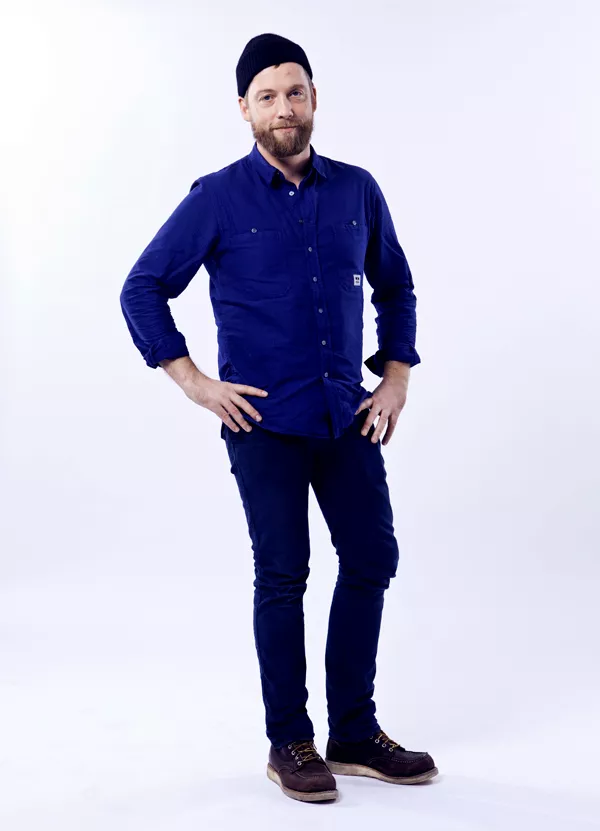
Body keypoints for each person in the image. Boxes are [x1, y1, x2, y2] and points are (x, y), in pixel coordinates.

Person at [120, 32, 438, 803]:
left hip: (346, 415)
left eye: (295, 92)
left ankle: (353, 732)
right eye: (267, 96)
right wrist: (195, 382)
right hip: (262, 424)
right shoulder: (216, 197)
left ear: (314, 97)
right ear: (244, 109)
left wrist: (395, 377)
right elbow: (142, 286)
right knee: (284, 571)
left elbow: (396, 286)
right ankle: (289, 740)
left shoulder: (357, 190)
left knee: (372, 556)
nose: (283, 107)